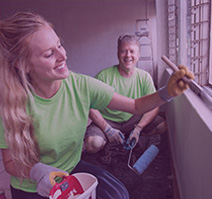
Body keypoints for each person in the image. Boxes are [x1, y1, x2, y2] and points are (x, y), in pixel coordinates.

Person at [0, 12, 194, 199]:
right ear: (23, 64)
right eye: (50, 54)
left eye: (60, 45)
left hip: (71, 170)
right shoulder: (11, 105)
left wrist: (166, 92)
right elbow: (9, 162)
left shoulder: (80, 85)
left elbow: (135, 106)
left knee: (119, 194)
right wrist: (36, 171)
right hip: (33, 185)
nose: (63, 55)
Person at [84, 35, 164, 155]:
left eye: (132, 51)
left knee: (162, 126)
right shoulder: (103, 76)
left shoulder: (144, 77)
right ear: (118, 54)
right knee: (93, 144)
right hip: (108, 120)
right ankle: (109, 141)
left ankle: (135, 137)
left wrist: (139, 128)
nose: (128, 55)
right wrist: (107, 128)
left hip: (133, 120)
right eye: (123, 51)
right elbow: (90, 105)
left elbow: (154, 106)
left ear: (138, 55)